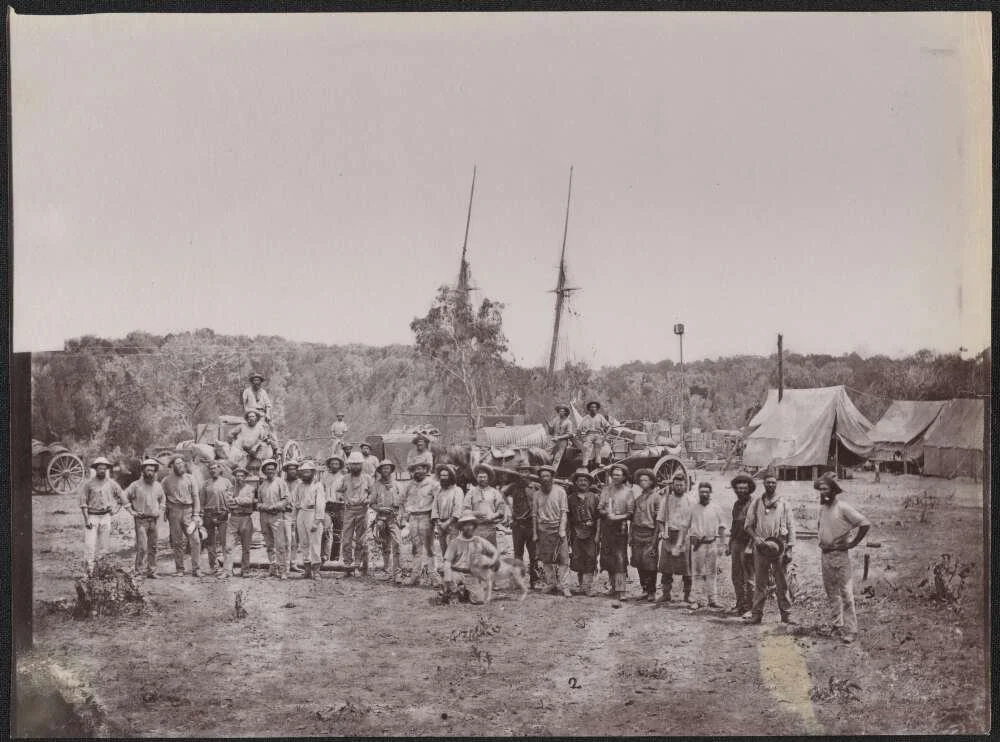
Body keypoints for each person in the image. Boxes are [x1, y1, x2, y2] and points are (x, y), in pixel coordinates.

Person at [816, 473, 870, 644]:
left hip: (840, 555)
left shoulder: (843, 507)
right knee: (831, 592)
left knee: (846, 593)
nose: (822, 492)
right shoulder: (823, 508)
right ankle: (837, 625)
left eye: (826, 489)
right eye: (820, 489)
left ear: (833, 490)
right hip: (825, 556)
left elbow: (864, 523)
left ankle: (851, 630)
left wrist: (852, 543)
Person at [744, 469, 797, 625]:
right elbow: (747, 526)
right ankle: (756, 614)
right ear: (764, 483)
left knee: (782, 582)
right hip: (761, 547)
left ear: (777, 484)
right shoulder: (756, 503)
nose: (771, 485)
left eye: (774, 482)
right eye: (768, 482)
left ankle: (786, 614)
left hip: (779, 546)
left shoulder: (784, 504)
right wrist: (756, 539)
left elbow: (791, 527)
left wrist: (789, 549)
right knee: (760, 582)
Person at [79, 456, 126, 576]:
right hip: (92, 517)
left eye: (104, 469)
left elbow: (121, 496)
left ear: (107, 470)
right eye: (100, 469)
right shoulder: (88, 484)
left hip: (105, 517)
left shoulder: (111, 483)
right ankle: (88, 571)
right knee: (90, 545)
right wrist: (86, 520)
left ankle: (102, 571)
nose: (102, 471)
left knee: (104, 547)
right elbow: (83, 503)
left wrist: (115, 509)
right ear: (95, 469)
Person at [442, 510, 500, 605]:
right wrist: (448, 577)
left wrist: (490, 563)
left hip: (472, 574)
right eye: (465, 525)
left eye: (470, 524)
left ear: (474, 526)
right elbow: (447, 562)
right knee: (451, 580)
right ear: (461, 527)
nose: (468, 528)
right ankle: (453, 593)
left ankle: (465, 591)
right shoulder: (455, 542)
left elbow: (494, 552)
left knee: (479, 600)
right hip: (456, 572)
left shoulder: (479, 541)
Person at [598, 463, 634, 607]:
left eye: (619, 475)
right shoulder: (606, 490)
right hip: (607, 529)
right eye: (614, 475)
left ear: (624, 476)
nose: (616, 477)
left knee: (620, 559)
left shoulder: (628, 492)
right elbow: (600, 508)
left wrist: (617, 517)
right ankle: (613, 587)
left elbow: (630, 513)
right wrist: (606, 513)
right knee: (608, 557)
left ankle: (621, 589)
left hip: (621, 529)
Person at [531, 466, 572, 597]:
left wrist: (562, 529)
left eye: (547, 476)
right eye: (542, 476)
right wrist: (535, 533)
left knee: (563, 559)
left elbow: (564, 512)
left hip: (558, 529)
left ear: (552, 477)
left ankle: (564, 585)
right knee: (546, 559)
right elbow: (534, 515)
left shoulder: (560, 491)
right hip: (543, 529)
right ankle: (551, 584)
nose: (545, 479)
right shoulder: (536, 494)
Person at [656, 470, 694, 605]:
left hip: (684, 535)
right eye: (676, 485)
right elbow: (660, 520)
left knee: (686, 568)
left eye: (681, 485)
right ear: (673, 485)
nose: (679, 487)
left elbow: (693, 521)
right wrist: (662, 532)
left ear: (685, 485)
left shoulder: (690, 500)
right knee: (666, 568)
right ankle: (666, 594)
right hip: (669, 534)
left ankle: (687, 595)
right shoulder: (666, 500)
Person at [123, 458, 166, 578]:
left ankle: (152, 571)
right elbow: (124, 497)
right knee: (142, 547)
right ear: (143, 471)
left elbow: (163, 499)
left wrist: (161, 510)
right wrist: (131, 511)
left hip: (154, 521)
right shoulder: (135, 485)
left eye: (152, 470)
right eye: (148, 470)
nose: (150, 473)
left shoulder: (158, 485)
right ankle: (139, 571)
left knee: (153, 547)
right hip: (141, 520)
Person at [162, 456, 203, 577]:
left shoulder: (190, 478)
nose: (181, 466)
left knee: (195, 540)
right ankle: (180, 569)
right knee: (177, 541)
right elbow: (162, 497)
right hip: (174, 512)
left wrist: (196, 514)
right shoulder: (166, 480)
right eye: (177, 464)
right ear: (172, 466)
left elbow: (196, 497)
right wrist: (165, 509)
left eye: (182, 463)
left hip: (189, 512)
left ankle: (196, 568)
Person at [689, 482, 727, 609]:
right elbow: (685, 526)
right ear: (698, 493)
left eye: (706, 492)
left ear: (710, 493)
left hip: (712, 544)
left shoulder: (716, 508)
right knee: (697, 573)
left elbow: (722, 528)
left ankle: (713, 599)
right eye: (701, 492)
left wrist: (722, 545)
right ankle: (695, 600)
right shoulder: (693, 508)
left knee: (712, 573)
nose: (704, 494)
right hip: (698, 545)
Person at [335, 451, 374, 576]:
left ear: (361, 464)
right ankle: (347, 565)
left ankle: (357, 565)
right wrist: (344, 499)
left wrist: (368, 499)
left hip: (362, 510)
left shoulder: (367, 478)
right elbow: (338, 492)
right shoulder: (345, 478)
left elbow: (373, 493)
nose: (355, 467)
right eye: (353, 464)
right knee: (346, 539)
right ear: (349, 465)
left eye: (358, 464)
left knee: (361, 539)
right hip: (349, 511)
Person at [402, 461, 440, 585]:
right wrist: (404, 515)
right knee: (415, 548)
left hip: (426, 517)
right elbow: (401, 500)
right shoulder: (409, 485)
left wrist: (434, 518)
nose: (418, 471)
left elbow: (437, 502)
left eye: (421, 468)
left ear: (426, 470)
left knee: (429, 548)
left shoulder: (433, 484)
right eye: (415, 469)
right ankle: (415, 575)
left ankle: (433, 575)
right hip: (413, 518)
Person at [502, 464, 540, 589]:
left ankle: (534, 581)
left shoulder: (535, 486)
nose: (524, 474)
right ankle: (518, 580)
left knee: (534, 554)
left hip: (532, 524)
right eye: (521, 471)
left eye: (526, 471)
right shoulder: (514, 486)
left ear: (530, 473)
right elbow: (503, 493)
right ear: (518, 473)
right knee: (518, 554)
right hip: (518, 524)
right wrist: (510, 508)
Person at [726, 473, 757, 616]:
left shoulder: (755, 505)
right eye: (738, 489)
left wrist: (751, 546)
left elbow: (756, 527)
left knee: (749, 577)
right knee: (736, 575)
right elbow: (734, 525)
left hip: (749, 544)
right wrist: (729, 543)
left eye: (744, 488)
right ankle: (740, 604)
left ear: (749, 489)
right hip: (736, 543)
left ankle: (750, 607)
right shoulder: (736, 505)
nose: (741, 491)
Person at [630, 468, 663, 602]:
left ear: (651, 482)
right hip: (637, 533)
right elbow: (633, 519)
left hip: (650, 533)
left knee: (650, 564)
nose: (643, 482)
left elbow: (658, 519)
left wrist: (655, 538)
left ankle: (651, 591)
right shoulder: (638, 498)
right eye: (641, 480)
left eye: (646, 480)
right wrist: (630, 535)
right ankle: (644, 589)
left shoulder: (656, 497)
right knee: (639, 562)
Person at [568, 468, 600, 596]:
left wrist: (598, 534)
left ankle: (587, 586)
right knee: (578, 557)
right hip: (576, 532)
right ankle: (581, 585)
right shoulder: (570, 498)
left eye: (585, 480)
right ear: (575, 482)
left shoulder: (594, 497)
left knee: (590, 557)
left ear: (589, 483)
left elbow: (599, 518)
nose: (582, 483)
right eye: (580, 480)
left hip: (591, 533)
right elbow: (568, 517)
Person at [256, 458, 291, 579]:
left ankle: (283, 570)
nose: (270, 471)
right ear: (264, 471)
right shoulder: (262, 486)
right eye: (267, 469)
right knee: (269, 544)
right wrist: (264, 507)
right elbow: (258, 503)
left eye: (272, 469)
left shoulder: (281, 483)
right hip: (264, 516)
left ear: (275, 470)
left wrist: (275, 506)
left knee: (280, 544)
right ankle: (273, 567)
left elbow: (286, 500)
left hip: (277, 516)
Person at [370, 459, 403, 583]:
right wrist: (380, 508)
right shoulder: (376, 485)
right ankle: (387, 571)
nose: (385, 470)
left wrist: (402, 517)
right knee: (385, 546)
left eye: (387, 468)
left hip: (394, 518)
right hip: (381, 519)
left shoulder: (398, 485)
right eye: (383, 468)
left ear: (391, 469)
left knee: (398, 544)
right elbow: (372, 503)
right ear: (380, 470)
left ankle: (397, 573)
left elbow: (403, 503)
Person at [219, 467, 255, 579]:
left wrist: (237, 500)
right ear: (234, 477)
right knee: (229, 546)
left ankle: (245, 570)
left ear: (245, 477)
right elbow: (229, 504)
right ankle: (227, 571)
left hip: (246, 519)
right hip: (234, 518)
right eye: (237, 476)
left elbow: (250, 501)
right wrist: (239, 502)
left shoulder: (251, 488)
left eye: (242, 476)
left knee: (246, 547)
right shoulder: (230, 489)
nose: (239, 478)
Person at [294, 461, 327, 579]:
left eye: (307, 472)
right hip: (301, 514)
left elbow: (321, 504)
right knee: (304, 543)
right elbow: (296, 503)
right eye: (303, 472)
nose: (305, 474)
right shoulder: (299, 485)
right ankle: (307, 569)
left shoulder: (318, 485)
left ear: (313, 473)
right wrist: (295, 518)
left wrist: (317, 521)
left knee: (315, 543)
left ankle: (316, 570)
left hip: (313, 514)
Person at [200, 461, 233, 576]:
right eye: (211, 469)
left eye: (215, 468)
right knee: (210, 543)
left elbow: (231, 499)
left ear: (220, 470)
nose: (213, 470)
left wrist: (227, 511)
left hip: (222, 514)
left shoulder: (226, 482)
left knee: (225, 543)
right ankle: (213, 567)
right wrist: (202, 515)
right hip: (209, 515)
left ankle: (227, 569)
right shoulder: (205, 484)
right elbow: (201, 502)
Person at [463, 465, 507, 546]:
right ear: (477, 478)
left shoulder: (495, 492)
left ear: (488, 478)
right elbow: (465, 509)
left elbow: (501, 509)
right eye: (480, 477)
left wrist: (493, 515)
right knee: (476, 554)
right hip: (475, 529)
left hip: (490, 528)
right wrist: (474, 513)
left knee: (490, 554)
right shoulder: (471, 493)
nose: (482, 479)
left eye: (484, 477)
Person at [431, 464, 465, 556]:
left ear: (451, 477)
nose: (443, 478)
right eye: (441, 476)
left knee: (453, 549)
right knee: (443, 548)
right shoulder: (438, 491)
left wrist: (447, 523)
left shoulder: (457, 491)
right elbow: (434, 507)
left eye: (445, 475)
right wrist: (438, 522)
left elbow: (458, 509)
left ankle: (455, 568)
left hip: (452, 524)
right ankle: (446, 567)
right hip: (440, 525)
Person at [321, 455, 346, 563]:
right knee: (324, 530)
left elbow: (346, 491)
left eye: (336, 464)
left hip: (339, 506)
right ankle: (324, 555)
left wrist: (343, 497)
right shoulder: (325, 476)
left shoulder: (344, 477)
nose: (334, 466)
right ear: (329, 465)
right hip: (327, 505)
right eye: (332, 464)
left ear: (339, 465)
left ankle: (334, 558)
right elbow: (321, 489)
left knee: (337, 532)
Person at [578, 401, 611, 469]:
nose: (593, 408)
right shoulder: (585, 418)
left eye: (595, 407)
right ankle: (585, 465)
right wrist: (581, 438)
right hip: (589, 435)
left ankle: (598, 464)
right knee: (586, 448)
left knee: (598, 449)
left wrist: (605, 435)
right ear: (589, 408)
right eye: (591, 407)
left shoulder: (600, 417)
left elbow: (609, 427)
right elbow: (578, 429)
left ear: (597, 408)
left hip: (598, 434)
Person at [283, 460, 303, 573]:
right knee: (287, 539)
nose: (292, 471)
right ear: (286, 471)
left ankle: (293, 563)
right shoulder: (282, 482)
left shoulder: (300, 483)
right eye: (290, 469)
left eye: (294, 469)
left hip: (298, 513)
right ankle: (285, 564)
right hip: (285, 513)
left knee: (296, 540)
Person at [549, 404, 576, 471]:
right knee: (547, 453)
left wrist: (559, 437)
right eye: (559, 411)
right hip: (554, 440)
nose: (560, 412)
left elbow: (570, 434)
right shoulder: (555, 420)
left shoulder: (568, 422)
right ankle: (546, 468)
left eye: (562, 411)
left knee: (557, 457)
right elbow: (551, 432)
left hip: (563, 442)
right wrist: (550, 428)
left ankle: (553, 471)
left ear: (565, 412)